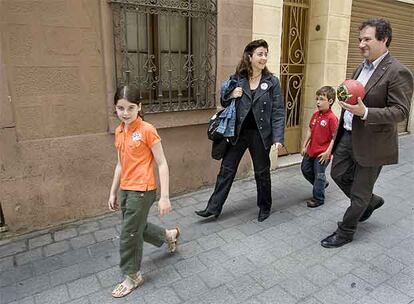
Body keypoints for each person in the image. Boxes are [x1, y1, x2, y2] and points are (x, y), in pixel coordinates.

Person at [321, 18, 414, 248]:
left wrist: (365, 112)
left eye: (367, 39)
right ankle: (371, 202)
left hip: (374, 142)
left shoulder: (397, 72)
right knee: (338, 174)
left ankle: (346, 231)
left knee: (359, 194)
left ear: (383, 39)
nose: (361, 44)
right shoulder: (360, 67)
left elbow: (401, 111)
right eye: (359, 39)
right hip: (348, 134)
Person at [195, 39, 285, 222]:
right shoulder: (237, 79)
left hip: (261, 135)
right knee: (226, 169)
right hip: (237, 133)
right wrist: (230, 95)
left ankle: (265, 206)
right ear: (249, 56)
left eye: (266, 54)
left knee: (262, 171)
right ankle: (213, 208)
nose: (264, 57)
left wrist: (278, 137)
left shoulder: (272, 81)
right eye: (260, 54)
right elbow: (225, 102)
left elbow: (278, 111)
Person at [108, 85, 180, 297]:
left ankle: (132, 275)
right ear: (116, 108)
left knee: (129, 234)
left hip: (143, 190)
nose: (126, 113)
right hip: (126, 189)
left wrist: (164, 197)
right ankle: (169, 235)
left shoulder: (147, 130)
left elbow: (162, 163)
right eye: (121, 108)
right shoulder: (120, 131)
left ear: (139, 107)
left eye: (131, 107)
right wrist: (113, 191)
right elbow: (120, 164)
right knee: (136, 226)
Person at [301, 86, 338, 208]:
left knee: (319, 175)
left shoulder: (332, 118)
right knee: (305, 169)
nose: (318, 102)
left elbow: (335, 137)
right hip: (311, 150)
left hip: (323, 153)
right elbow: (310, 130)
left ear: (330, 101)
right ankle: (321, 184)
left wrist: (328, 152)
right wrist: (305, 145)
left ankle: (318, 198)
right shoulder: (316, 115)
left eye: (322, 99)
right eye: (317, 99)